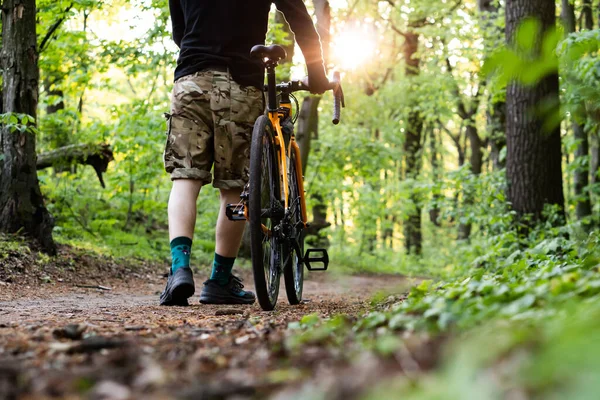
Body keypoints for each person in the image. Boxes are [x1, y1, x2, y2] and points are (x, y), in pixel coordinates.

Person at [160, 0, 329, 306]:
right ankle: (220, 279)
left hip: (190, 81)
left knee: (185, 179)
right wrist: (317, 71)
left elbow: (180, 30)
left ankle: (179, 268)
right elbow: (299, 17)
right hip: (241, 84)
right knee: (234, 188)